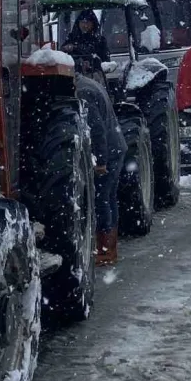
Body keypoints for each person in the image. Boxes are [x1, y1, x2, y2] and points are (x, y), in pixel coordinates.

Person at [73, 55, 126, 265]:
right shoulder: (89, 83)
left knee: (101, 199)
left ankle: (104, 250)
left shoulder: (83, 91)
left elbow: (97, 129)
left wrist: (101, 161)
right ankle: (110, 248)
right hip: (116, 146)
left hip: (109, 151)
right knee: (109, 197)